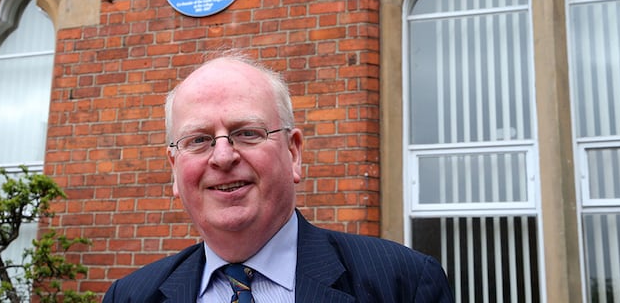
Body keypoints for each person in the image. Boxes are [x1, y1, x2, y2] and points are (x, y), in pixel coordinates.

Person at [102, 52, 454, 302]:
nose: (223, 156)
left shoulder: (402, 283)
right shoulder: (130, 296)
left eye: (248, 133)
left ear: (294, 153)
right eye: (198, 140)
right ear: (174, 170)